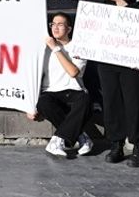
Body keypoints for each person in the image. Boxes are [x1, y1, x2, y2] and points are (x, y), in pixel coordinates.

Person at [97, 0, 139, 168]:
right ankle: (116, 143)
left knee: (134, 103)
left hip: (131, 66)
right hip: (107, 64)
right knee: (111, 102)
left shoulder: (138, 12)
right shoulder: (103, 10)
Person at [27, 12, 92, 158]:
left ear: (69, 29)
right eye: (53, 24)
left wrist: (56, 48)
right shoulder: (42, 49)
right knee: (43, 103)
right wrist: (28, 105)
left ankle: (57, 140)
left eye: (60, 24)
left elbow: (73, 72)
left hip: (73, 91)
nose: (55, 28)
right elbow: (34, 75)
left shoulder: (78, 47)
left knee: (85, 101)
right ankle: (82, 137)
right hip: (51, 92)